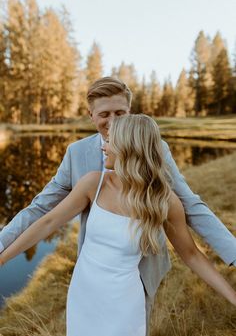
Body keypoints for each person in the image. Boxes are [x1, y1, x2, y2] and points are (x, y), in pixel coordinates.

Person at [0, 77, 235, 335]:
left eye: (119, 113)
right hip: (88, 281)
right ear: (91, 116)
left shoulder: (156, 153)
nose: (112, 122)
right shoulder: (81, 160)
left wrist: (232, 254)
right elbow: (42, 212)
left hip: (137, 274)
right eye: (104, 114)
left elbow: (190, 209)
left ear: (129, 115)